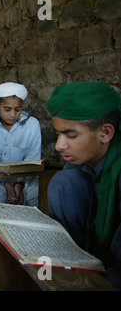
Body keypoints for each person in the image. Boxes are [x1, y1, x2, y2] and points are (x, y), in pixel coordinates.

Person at [45, 81, 121, 288]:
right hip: (91, 253)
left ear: (105, 133)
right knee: (63, 183)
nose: (60, 145)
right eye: (58, 134)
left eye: (71, 135)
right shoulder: (78, 163)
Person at [0, 82, 41, 206]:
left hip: (25, 177)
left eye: (18, 109)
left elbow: (32, 161)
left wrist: (18, 184)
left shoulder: (32, 124)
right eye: (7, 109)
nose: (12, 114)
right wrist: (7, 185)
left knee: (33, 196)